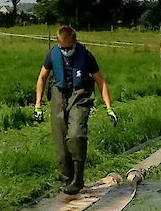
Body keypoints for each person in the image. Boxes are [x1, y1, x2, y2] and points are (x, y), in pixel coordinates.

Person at [34, 26, 116, 194]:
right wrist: (38, 105)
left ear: (75, 42)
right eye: (62, 48)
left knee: (76, 134)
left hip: (80, 96)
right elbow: (42, 78)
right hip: (59, 95)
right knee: (61, 142)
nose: (65, 51)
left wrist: (109, 108)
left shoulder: (86, 56)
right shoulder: (52, 55)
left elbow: (101, 82)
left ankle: (78, 179)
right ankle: (68, 179)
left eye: (68, 48)